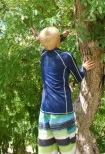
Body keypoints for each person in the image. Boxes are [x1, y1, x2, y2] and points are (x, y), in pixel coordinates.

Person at [38, 26, 95, 154]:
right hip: (61, 112)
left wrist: (62, 37)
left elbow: (49, 46)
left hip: (45, 111)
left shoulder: (43, 55)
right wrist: (84, 67)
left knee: (47, 149)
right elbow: (79, 77)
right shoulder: (66, 57)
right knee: (67, 149)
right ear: (58, 41)